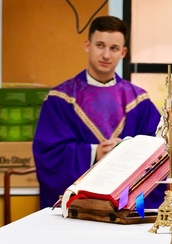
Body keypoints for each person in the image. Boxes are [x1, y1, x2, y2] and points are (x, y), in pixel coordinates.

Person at [32, 15, 162, 209]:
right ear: (87, 45)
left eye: (114, 48)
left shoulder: (139, 101)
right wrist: (94, 153)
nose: (106, 55)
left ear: (123, 52)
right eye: (100, 45)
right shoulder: (61, 99)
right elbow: (48, 154)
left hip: (127, 206)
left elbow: (158, 151)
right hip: (79, 207)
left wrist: (128, 153)